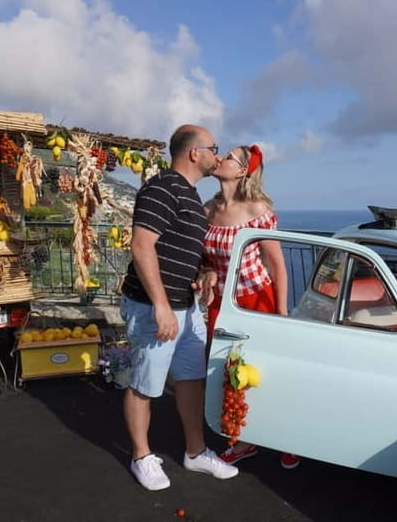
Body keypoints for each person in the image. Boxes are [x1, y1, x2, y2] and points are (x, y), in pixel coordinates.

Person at [120, 124, 238, 491]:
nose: (217, 155)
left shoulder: (188, 197)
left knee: (190, 379)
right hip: (154, 307)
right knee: (145, 383)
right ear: (193, 153)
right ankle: (142, 457)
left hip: (186, 308)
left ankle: (195, 452)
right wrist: (160, 305)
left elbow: (188, 249)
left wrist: (205, 271)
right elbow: (142, 246)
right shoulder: (162, 188)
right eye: (213, 148)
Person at [199, 144, 300, 469]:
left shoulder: (257, 209)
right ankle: (245, 441)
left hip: (258, 299)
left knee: (268, 373)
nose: (220, 158)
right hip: (222, 304)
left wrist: (281, 314)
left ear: (242, 171)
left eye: (228, 156)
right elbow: (205, 260)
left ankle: (286, 437)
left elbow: (277, 264)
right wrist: (209, 272)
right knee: (227, 374)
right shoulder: (207, 210)